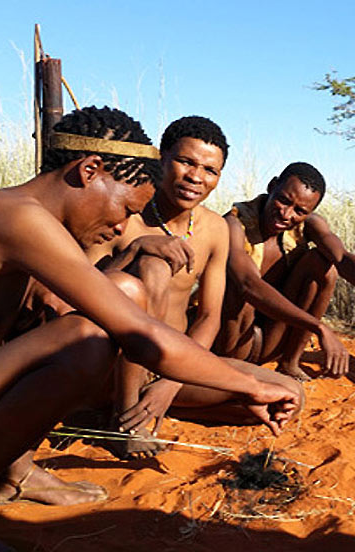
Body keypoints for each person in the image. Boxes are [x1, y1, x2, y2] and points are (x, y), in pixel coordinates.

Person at [0, 106, 300, 552]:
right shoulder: (12, 217)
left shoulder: (16, 221)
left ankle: (10, 472)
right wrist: (247, 384)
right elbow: (140, 334)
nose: (121, 224)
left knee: (105, 307)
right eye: (123, 208)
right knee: (90, 335)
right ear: (89, 170)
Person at [85, 116, 303, 457]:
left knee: (287, 393)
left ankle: (147, 404)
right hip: (114, 362)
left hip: (173, 365)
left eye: (209, 170)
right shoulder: (125, 213)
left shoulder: (214, 228)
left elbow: (208, 318)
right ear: (162, 158)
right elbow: (79, 291)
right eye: (186, 162)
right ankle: (123, 420)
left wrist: (169, 385)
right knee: (154, 267)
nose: (196, 178)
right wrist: (133, 250)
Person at [213, 161, 355, 381]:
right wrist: (319, 327)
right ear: (272, 186)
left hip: (272, 337)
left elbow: (343, 258)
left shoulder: (308, 226)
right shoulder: (235, 223)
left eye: (300, 211)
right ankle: (229, 373)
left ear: (310, 212)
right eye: (283, 200)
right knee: (240, 290)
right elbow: (247, 284)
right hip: (229, 339)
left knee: (323, 265)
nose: (286, 214)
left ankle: (289, 362)